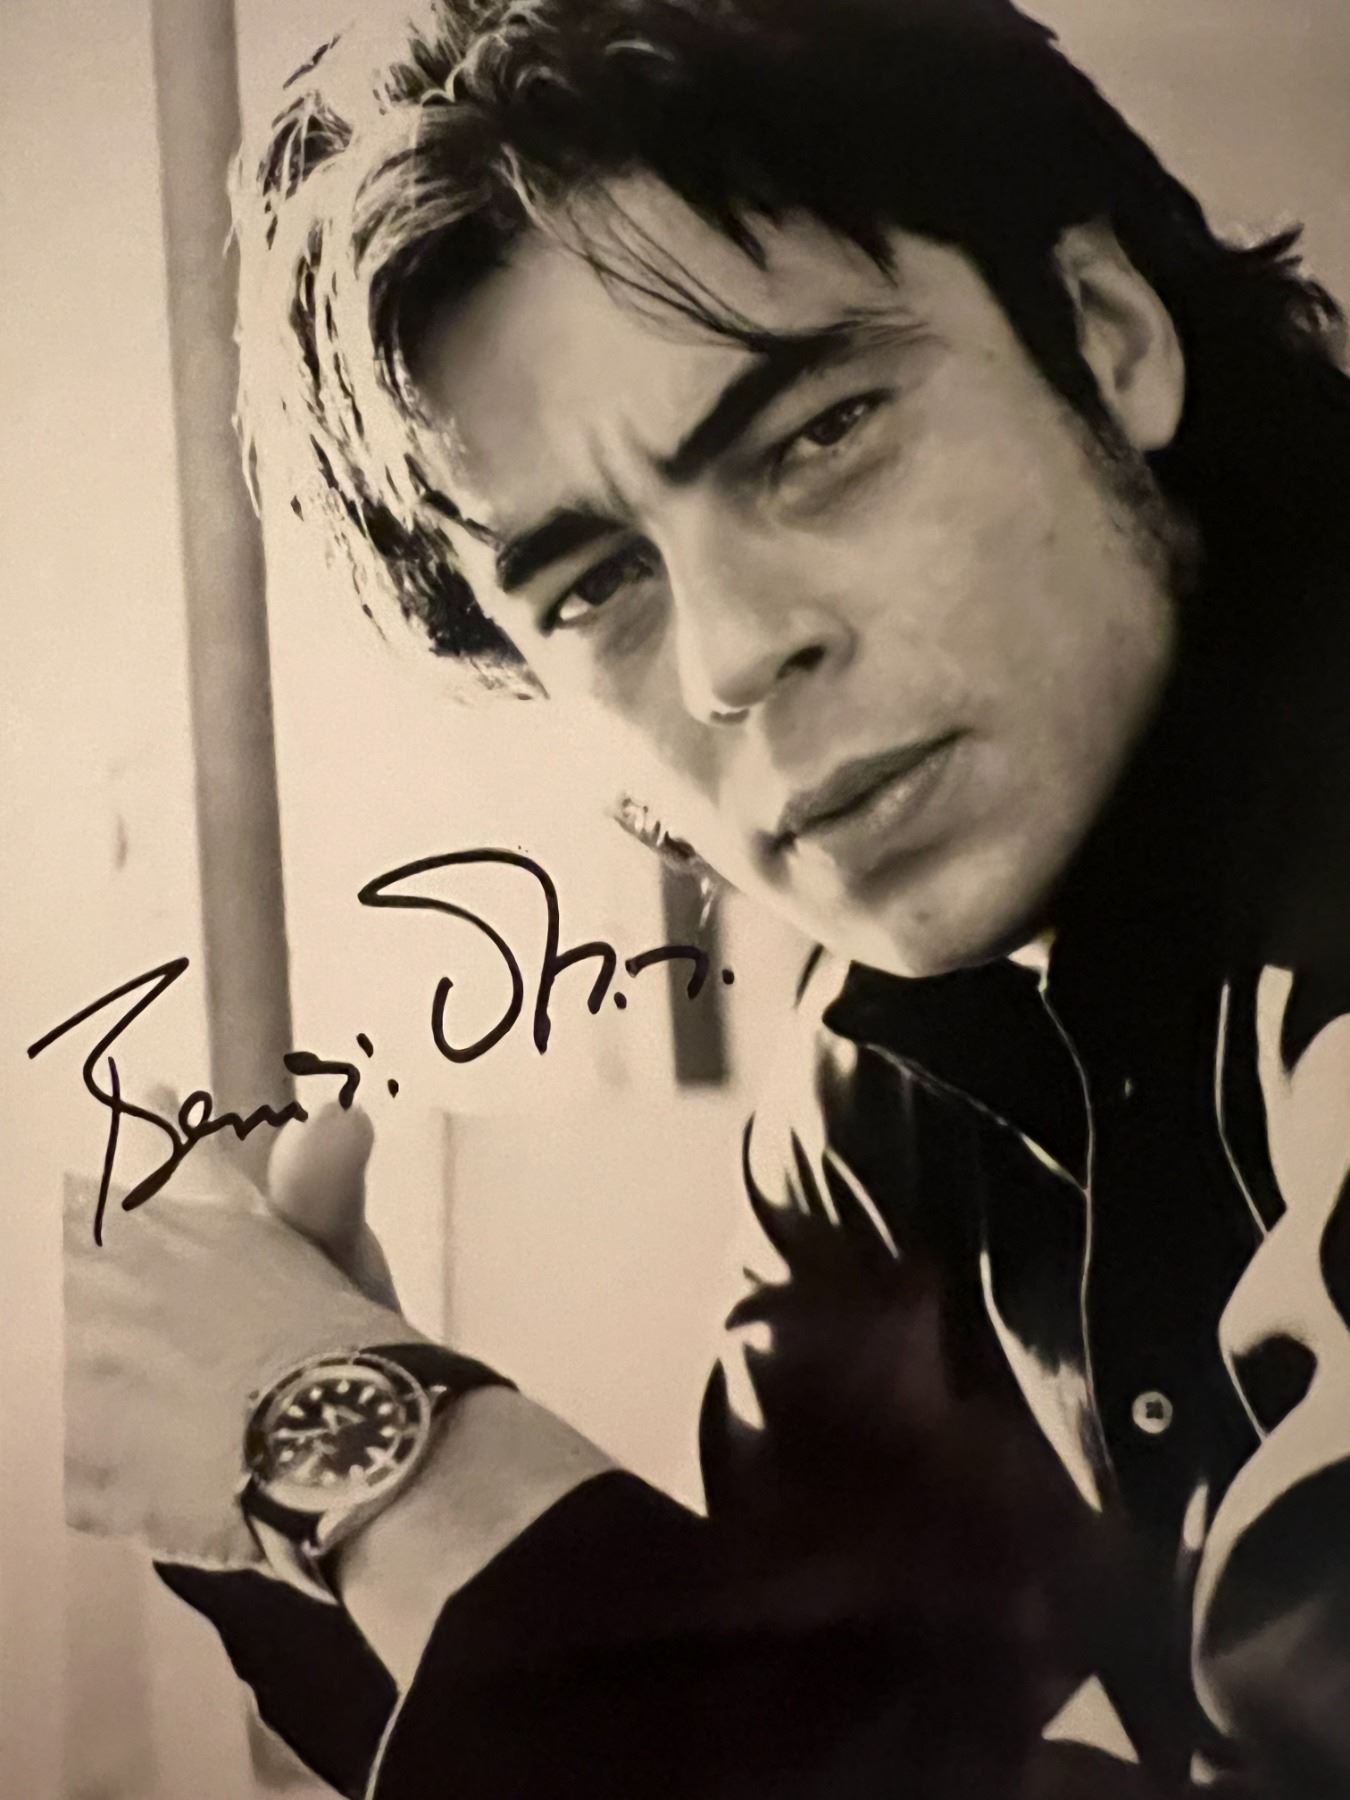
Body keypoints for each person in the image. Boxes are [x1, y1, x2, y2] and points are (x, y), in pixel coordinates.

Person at [63, 0, 1350, 1793]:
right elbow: (799, 1739)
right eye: (596, 586)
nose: (734, 654)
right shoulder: (893, 1045)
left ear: (1105, 336)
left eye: (817, 436)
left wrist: (380, 1460)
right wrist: (297, 1496)